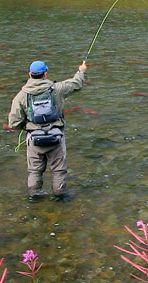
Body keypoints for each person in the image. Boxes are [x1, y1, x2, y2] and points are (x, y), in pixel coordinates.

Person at [7, 59, 88, 201]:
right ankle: (59, 198)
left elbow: (14, 123)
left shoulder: (21, 96)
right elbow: (76, 83)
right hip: (56, 138)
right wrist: (82, 70)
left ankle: (34, 197)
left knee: (34, 171)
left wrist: (26, 127)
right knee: (58, 171)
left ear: (30, 74)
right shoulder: (57, 89)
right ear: (45, 74)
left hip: (34, 139)